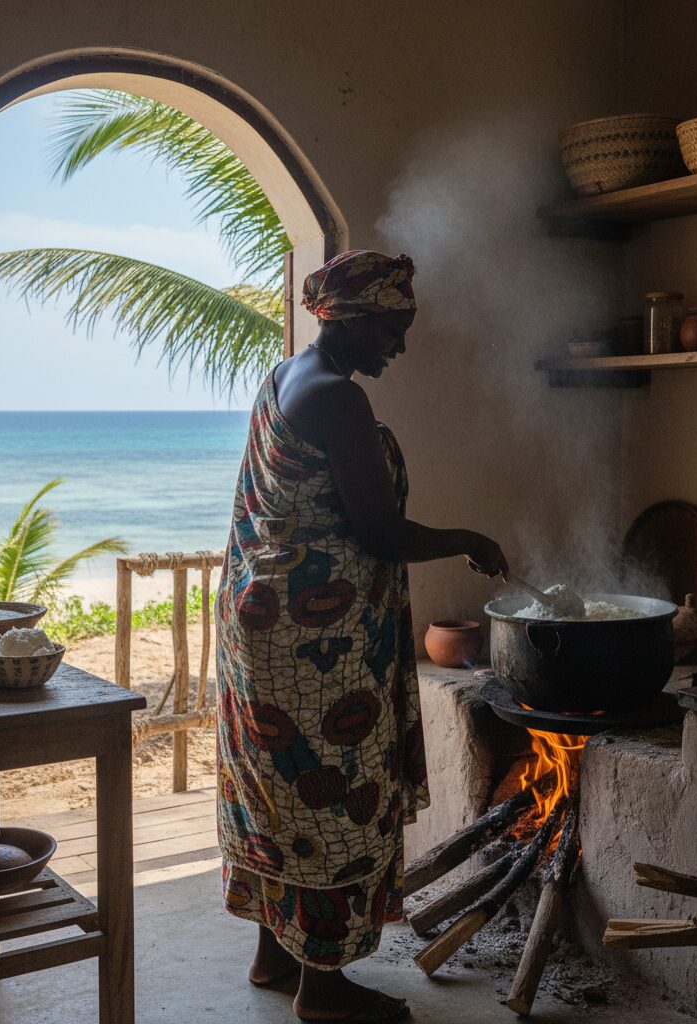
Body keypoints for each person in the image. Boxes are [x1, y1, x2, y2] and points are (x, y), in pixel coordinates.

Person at [215, 249, 509, 1022]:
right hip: (319, 648)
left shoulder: (286, 376)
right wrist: (466, 536)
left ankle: (276, 955)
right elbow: (378, 533)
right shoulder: (337, 400)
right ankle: (324, 990)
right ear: (350, 317)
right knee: (334, 801)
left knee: (281, 795)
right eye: (391, 325)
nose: (399, 344)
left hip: (265, 627)